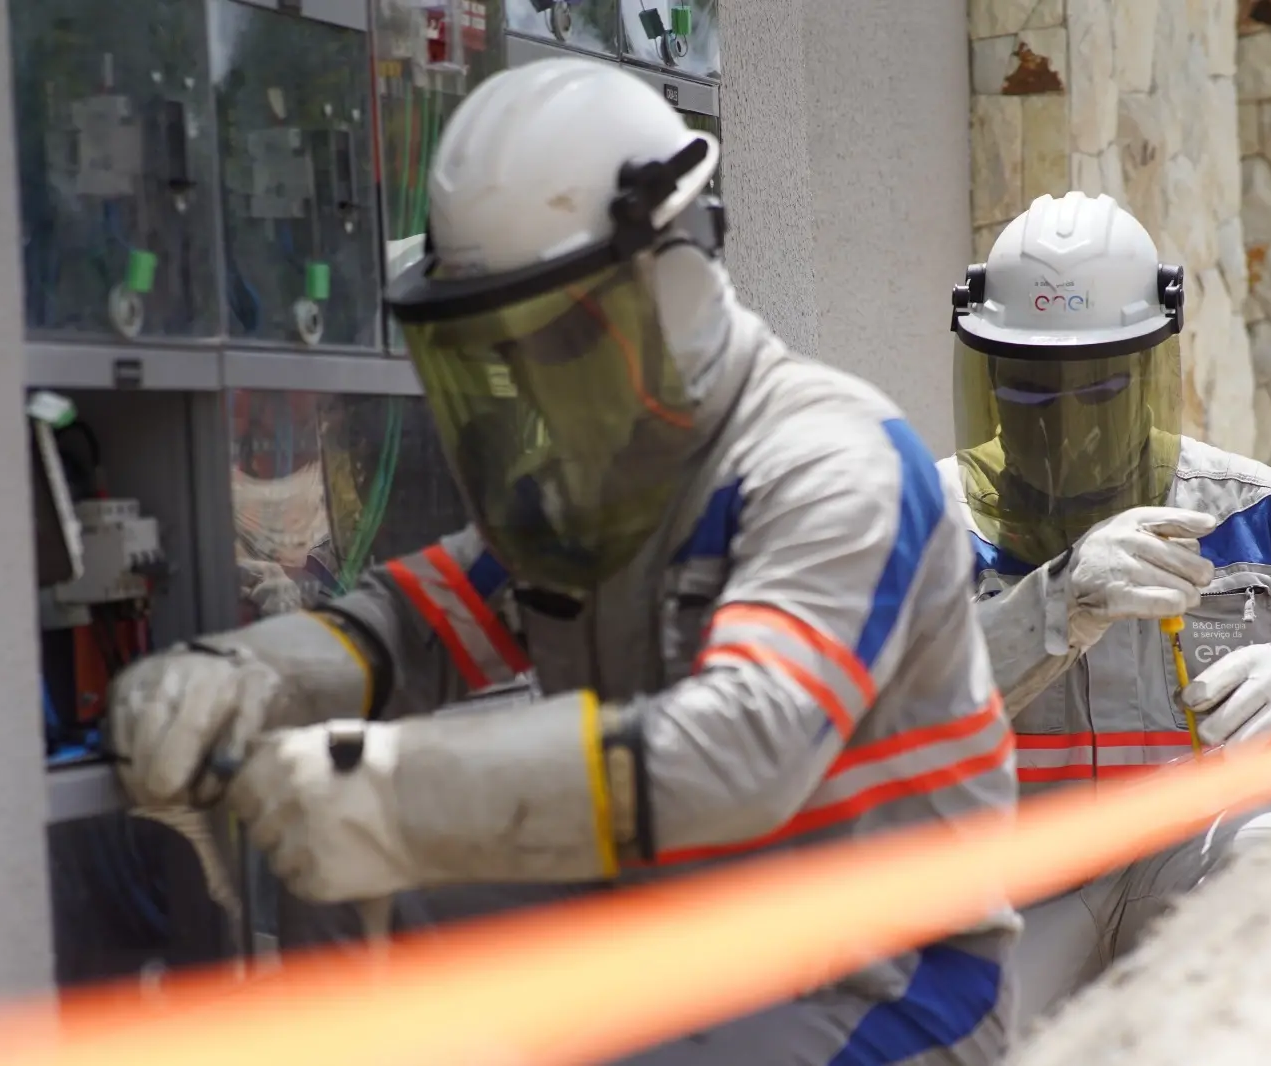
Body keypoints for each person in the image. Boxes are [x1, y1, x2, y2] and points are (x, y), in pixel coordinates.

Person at [107, 56, 1019, 1065]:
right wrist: (245, 675)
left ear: (673, 284)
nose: (529, 381)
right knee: (347, 884)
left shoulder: (832, 466)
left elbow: (743, 751)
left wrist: (397, 795)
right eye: (497, 351)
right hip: (684, 922)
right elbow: (411, 625)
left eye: (555, 338)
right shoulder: (611, 478)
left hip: (884, 974)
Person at [942, 189, 1271, 1029]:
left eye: (1099, 390)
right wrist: (1049, 608)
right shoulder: (927, 526)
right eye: (1032, 393)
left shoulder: (1254, 512)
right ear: (989, 375)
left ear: (1152, 370)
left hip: (1200, 857)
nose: (1065, 425)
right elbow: (870, 711)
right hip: (1009, 881)